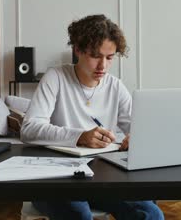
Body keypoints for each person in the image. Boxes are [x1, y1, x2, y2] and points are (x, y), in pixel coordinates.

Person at [20, 14, 164, 220]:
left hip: (102, 179)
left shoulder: (115, 86)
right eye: (96, 56)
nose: (103, 66)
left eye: (110, 57)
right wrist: (80, 136)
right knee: (79, 214)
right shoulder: (56, 77)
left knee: (151, 213)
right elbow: (29, 129)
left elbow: (137, 127)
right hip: (55, 179)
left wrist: (137, 137)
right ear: (77, 49)